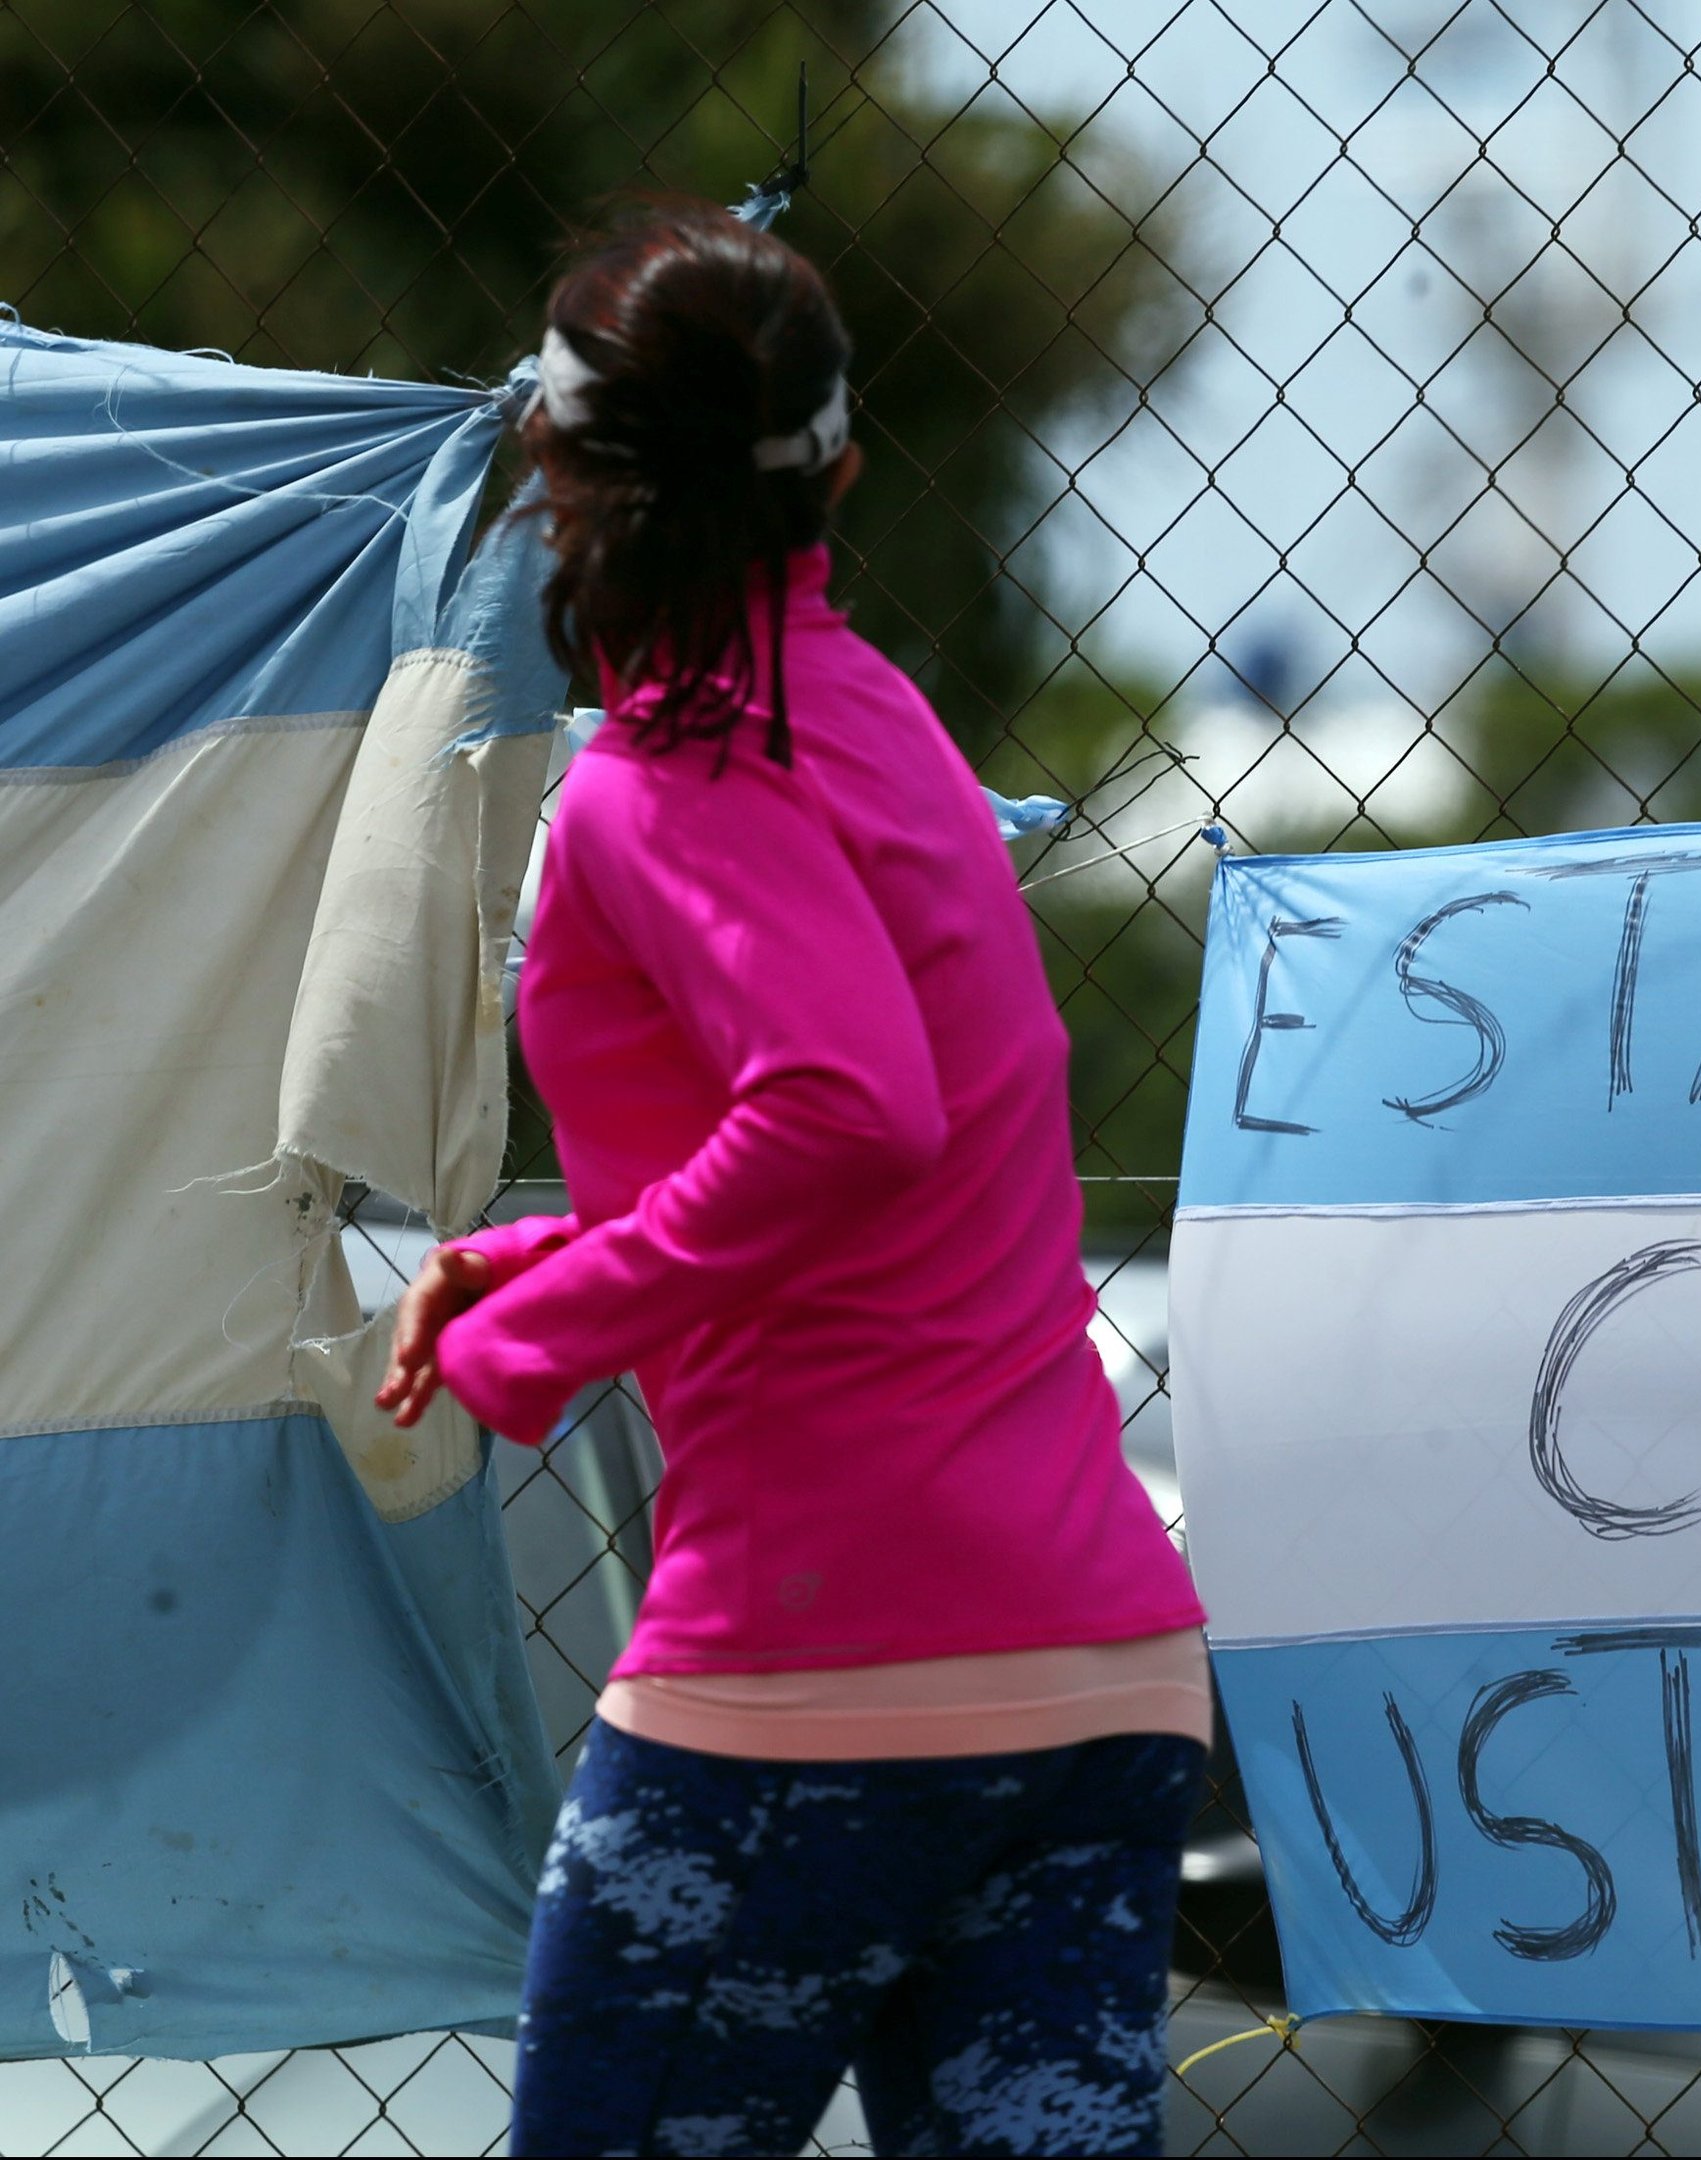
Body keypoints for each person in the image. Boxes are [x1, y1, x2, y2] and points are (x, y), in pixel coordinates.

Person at [374, 203, 1209, 2159]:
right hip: (1089, 1676)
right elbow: (849, 1162)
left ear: (561, 471)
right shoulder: (887, 725)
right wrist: (539, 1256)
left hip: (821, 1687)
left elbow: (841, 1108)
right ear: (836, 464)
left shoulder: (664, 778)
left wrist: (549, 1332)